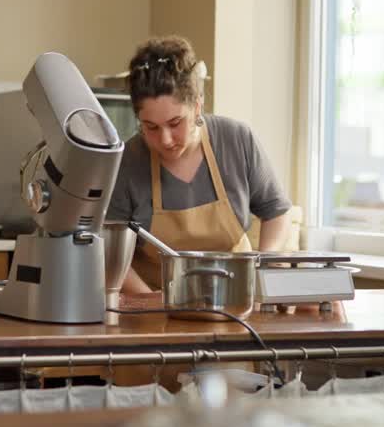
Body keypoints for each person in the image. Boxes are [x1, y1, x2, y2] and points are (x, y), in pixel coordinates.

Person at [107, 35, 292, 293]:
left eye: (175, 123)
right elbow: (110, 251)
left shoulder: (237, 140)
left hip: (235, 296)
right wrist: (150, 302)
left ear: (197, 106)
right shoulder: (127, 162)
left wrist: (266, 265)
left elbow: (276, 212)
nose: (165, 139)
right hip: (154, 302)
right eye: (151, 127)